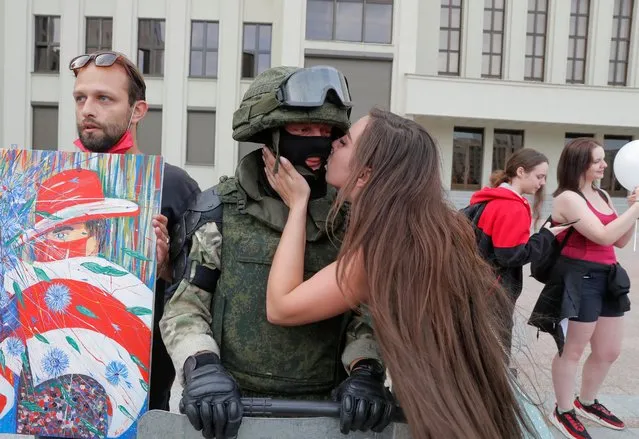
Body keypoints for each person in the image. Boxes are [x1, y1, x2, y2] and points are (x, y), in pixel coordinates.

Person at [263, 108, 553, 439]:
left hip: (445, 420)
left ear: (365, 174)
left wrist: (298, 205)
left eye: (343, 142)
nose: (330, 145)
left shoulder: (384, 249)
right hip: (473, 411)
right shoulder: (434, 228)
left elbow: (282, 306)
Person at [160, 66, 395, 439]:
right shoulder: (217, 211)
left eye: (326, 133)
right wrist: (201, 365)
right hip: (230, 408)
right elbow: (186, 306)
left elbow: (365, 314)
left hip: (328, 413)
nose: (317, 143)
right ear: (272, 135)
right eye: (303, 131)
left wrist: (365, 370)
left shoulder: (352, 220)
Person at [68, 50, 201, 412]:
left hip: (137, 396)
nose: (87, 110)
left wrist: (164, 270)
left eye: (104, 99)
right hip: (56, 392)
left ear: (137, 111)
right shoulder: (55, 181)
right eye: (81, 98)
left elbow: (200, 296)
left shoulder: (173, 186)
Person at [1, 168, 154, 438]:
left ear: (97, 234)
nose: (59, 244)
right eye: (56, 234)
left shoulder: (120, 287)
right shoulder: (21, 287)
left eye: (67, 232)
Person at [529, 138, 637, 439]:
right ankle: (563, 410)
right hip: (579, 277)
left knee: (609, 350)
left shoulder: (601, 193)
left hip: (608, 275)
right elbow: (602, 235)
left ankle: (587, 402)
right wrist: (636, 208)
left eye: (604, 159)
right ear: (580, 164)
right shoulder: (567, 198)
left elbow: (619, 241)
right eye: (598, 160)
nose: (605, 165)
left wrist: (630, 211)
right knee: (572, 350)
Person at [465, 148, 568, 359]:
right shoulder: (512, 206)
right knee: (494, 352)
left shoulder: (490, 198)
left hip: (477, 285)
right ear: (521, 171)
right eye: (539, 176)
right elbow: (510, 256)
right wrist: (546, 236)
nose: (542, 183)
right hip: (494, 291)